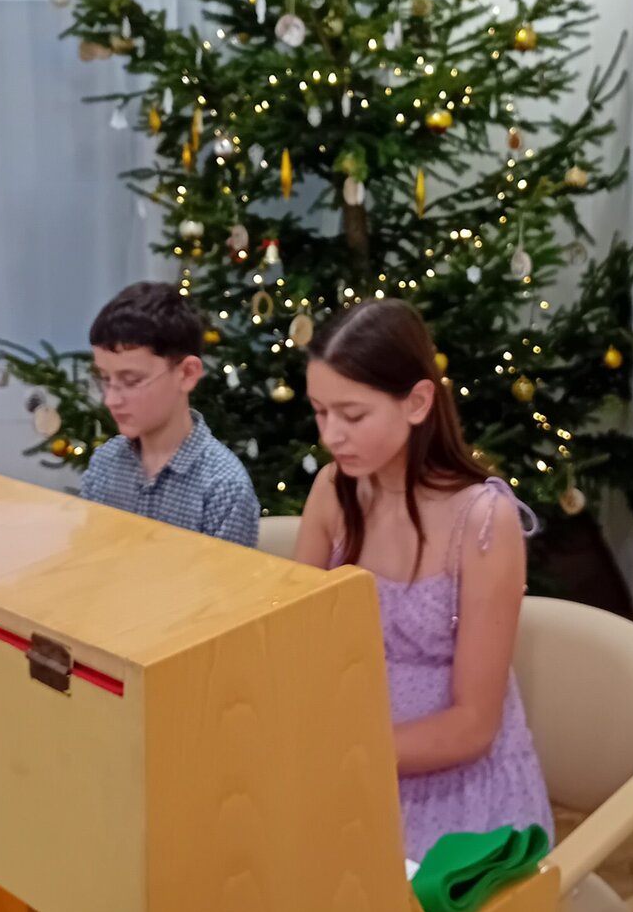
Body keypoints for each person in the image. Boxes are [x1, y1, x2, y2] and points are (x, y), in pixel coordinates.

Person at [295, 298, 551, 860]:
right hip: (346, 759)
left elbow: (473, 725)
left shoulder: (482, 520)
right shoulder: (333, 491)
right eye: (320, 412)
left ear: (416, 402)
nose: (332, 435)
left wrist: (346, 752)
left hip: (453, 790)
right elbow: (294, 639)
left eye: (352, 416)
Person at [79, 281, 258, 547]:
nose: (111, 399)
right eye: (105, 379)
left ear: (186, 374)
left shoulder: (224, 487)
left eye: (131, 380)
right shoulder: (105, 464)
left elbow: (229, 576)